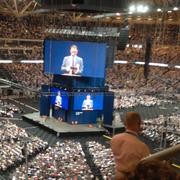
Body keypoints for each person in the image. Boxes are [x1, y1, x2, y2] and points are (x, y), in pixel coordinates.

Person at [111, 112, 150, 180]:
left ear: (125, 123)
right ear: (138, 124)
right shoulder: (142, 146)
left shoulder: (114, 139)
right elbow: (146, 167)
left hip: (118, 176)